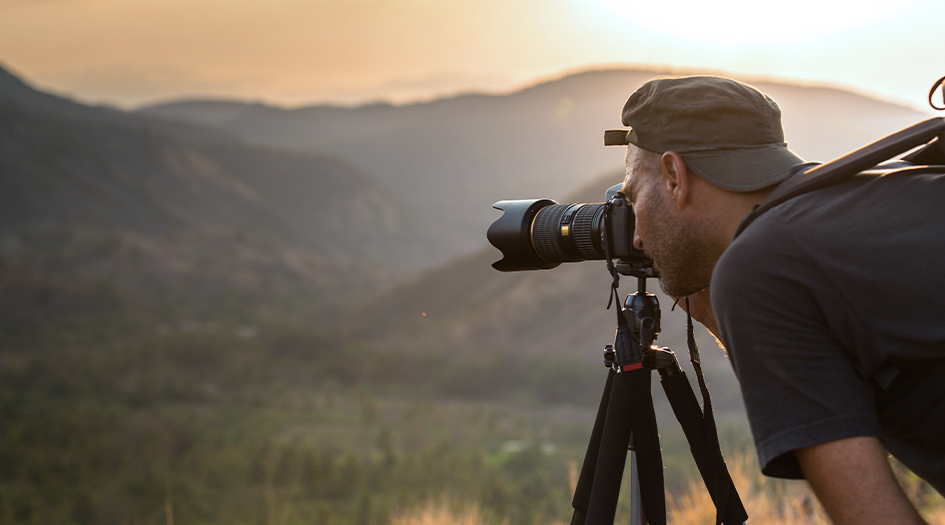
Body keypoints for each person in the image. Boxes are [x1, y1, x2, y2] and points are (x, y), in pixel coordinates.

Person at [604, 75, 945, 524]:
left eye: (633, 196)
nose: (638, 236)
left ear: (673, 176)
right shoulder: (873, 197)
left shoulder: (764, 267)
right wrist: (713, 308)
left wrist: (737, 285)